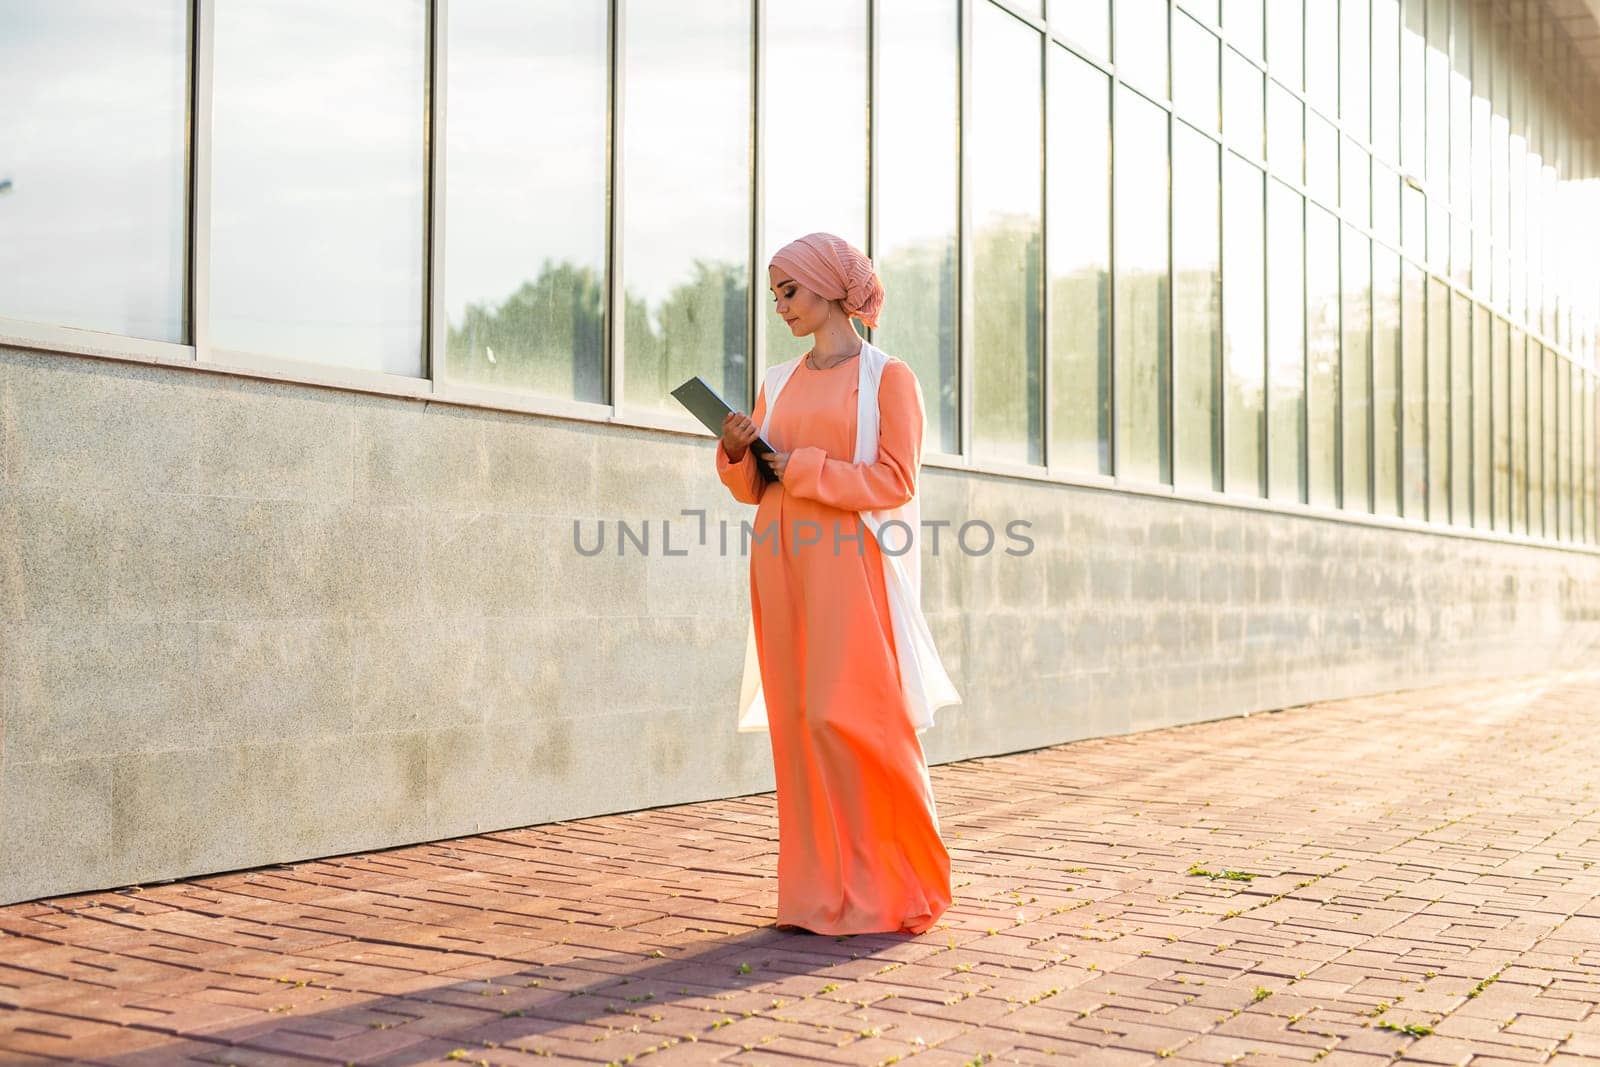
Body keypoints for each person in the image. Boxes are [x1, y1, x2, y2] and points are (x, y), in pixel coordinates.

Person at [715, 231, 954, 935]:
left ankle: (899, 885)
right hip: (779, 561)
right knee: (798, 724)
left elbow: (896, 479)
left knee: (848, 716)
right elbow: (755, 484)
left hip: (851, 562)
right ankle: (816, 897)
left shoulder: (890, 378)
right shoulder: (779, 381)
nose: (781, 305)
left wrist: (808, 468)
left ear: (827, 287)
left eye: (790, 290)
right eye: (775, 294)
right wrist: (735, 451)